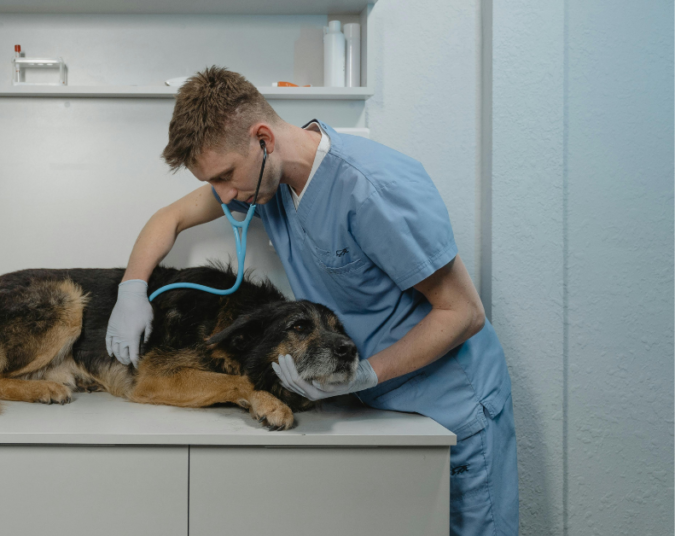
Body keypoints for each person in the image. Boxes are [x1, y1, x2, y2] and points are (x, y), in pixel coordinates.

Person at [104, 66, 518, 535]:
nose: (224, 196)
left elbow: (464, 312)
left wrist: (366, 374)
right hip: (372, 409)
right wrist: (132, 289)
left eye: (224, 176)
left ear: (263, 139)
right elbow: (169, 218)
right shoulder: (267, 183)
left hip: (446, 404)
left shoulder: (372, 188)